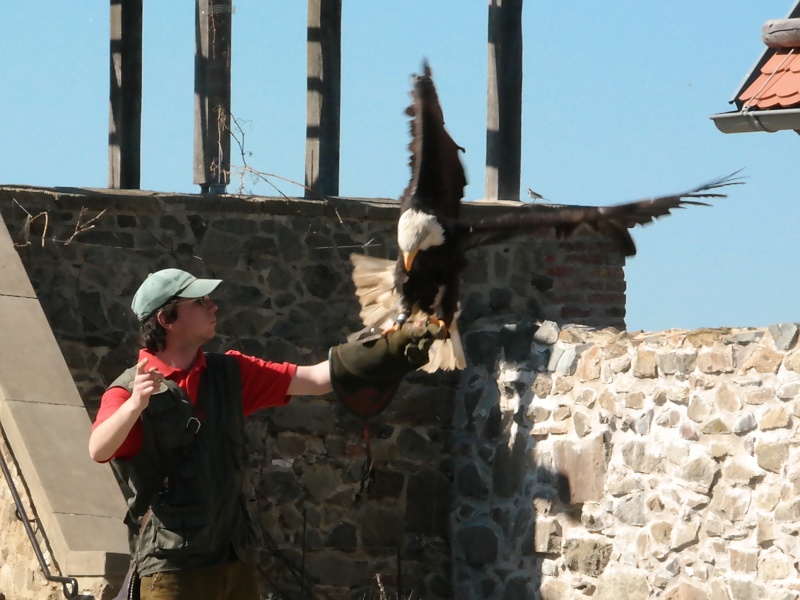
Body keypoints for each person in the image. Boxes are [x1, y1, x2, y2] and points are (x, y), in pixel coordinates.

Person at [89, 268, 439, 600]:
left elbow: (316, 380)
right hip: (172, 569)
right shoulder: (128, 390)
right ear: (166, 319)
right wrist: (136, 404)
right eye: (199, 301)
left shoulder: (230, 373)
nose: (213, 305)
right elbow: (98, 448)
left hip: (235, 558)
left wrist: (390, 350)